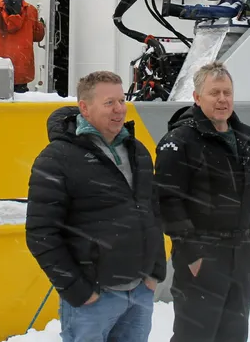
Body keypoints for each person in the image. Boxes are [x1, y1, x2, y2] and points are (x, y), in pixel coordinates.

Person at [25, 70, 166, 342]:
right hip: (94, 299)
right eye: (109, 103)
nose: (119, 110)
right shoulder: (57, 158)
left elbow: (152, 212)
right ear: (84, 108)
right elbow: (41, 233)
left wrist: (155, 271)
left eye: (122, 101)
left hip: (139, 293)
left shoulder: (137, 151)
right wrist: (79, 291)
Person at [154, 61, 250, 342]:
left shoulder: (244, 141)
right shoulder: (180, 142)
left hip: (241, 256)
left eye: (227, 92)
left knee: (234, 334)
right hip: (202, 256)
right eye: (214, 93)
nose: (222, 99)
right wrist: (192, 253)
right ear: (196, 97)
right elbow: (168, 200)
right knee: (195, 336)